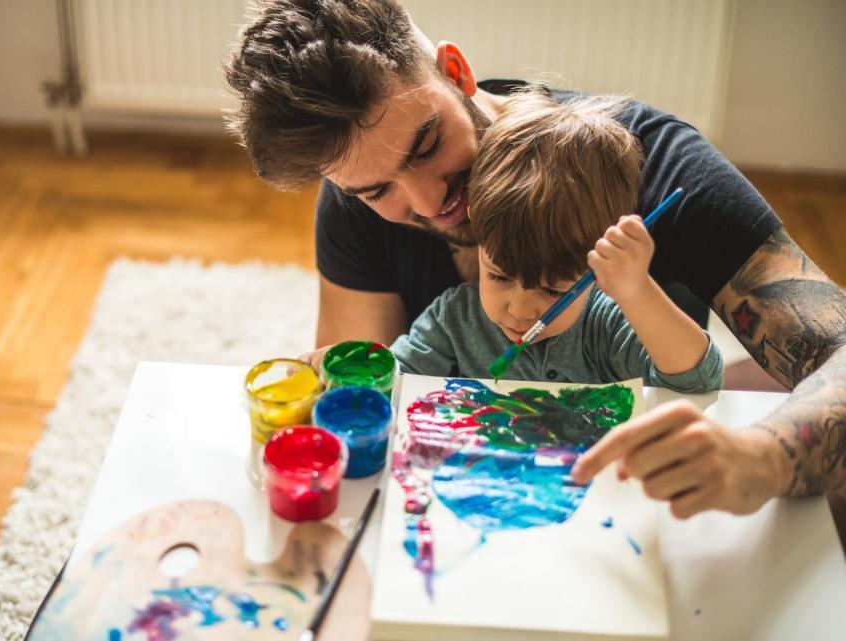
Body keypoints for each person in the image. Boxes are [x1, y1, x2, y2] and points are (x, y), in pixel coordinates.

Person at [224, 0, 846, 519]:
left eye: (426, 146)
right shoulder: (355, 202)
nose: (427, 201)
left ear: (456, 71)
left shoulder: (657, 166)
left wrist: (760, 459)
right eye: (376, 189)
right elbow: (367, 404)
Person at [389, 89, 723, 397]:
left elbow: (698, 382)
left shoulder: (604, 325)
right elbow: (393, 380)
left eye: (553, 291)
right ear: (476, 220)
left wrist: (637, 289)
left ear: (597, 262)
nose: (519, 311)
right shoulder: (454, 320)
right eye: (499, 277)